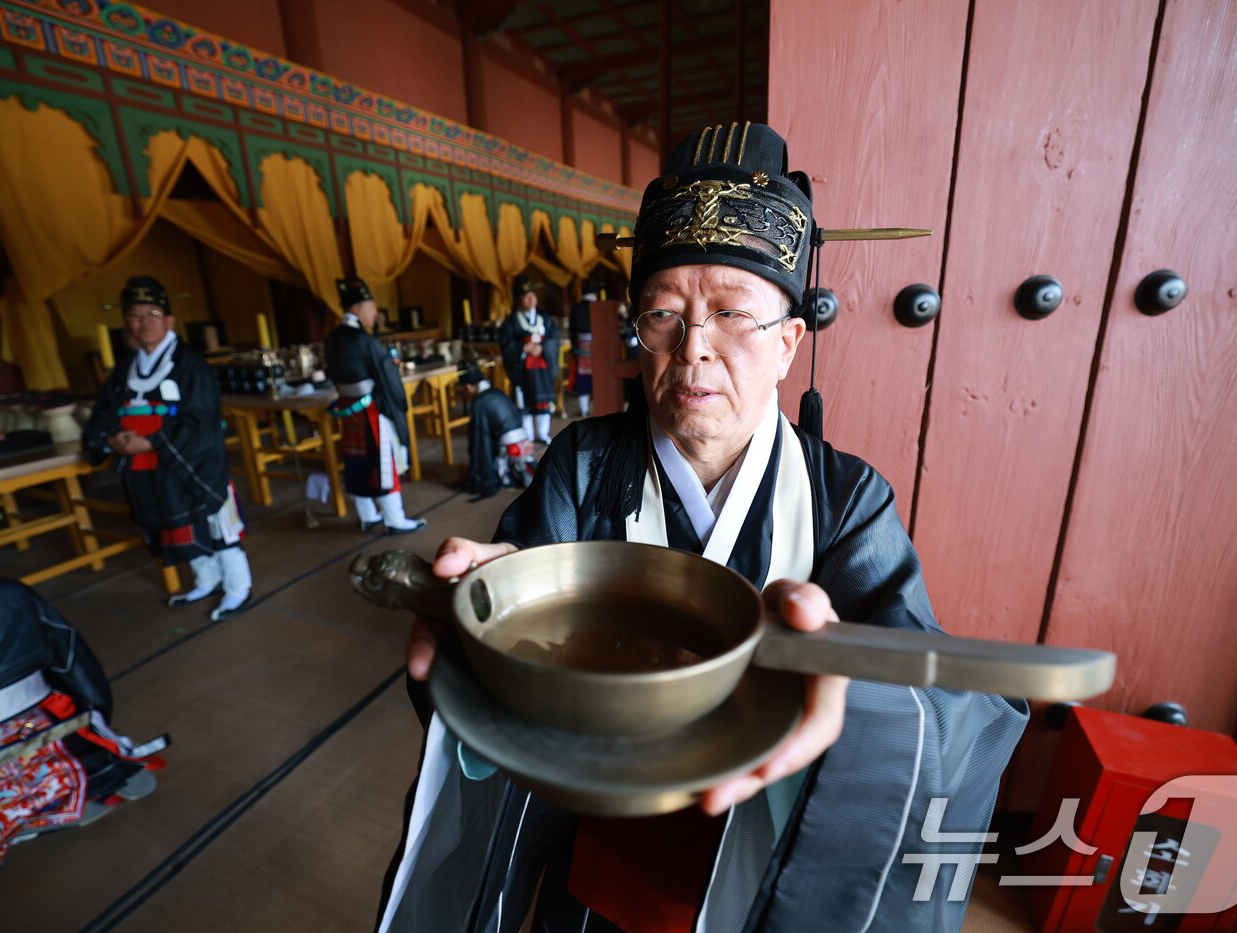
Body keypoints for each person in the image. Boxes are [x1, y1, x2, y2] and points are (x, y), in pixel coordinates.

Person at [378, 123, 1028, 932]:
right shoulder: (584, 462)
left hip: (753, 874)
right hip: (590, 862)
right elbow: (519, 615)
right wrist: (491, 601)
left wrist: (849, 688)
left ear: (789, 344)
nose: (693, 350)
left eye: (731, 313)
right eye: (663, 315)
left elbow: (937, 699)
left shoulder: (844, 496)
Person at [0, 490, 166, 887]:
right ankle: (71, 780)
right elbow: (78, 669)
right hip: (49, 741)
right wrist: (93, 726)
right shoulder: (12, 593)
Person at [82, 276, 253, 621]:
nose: (143, 322)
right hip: (149, 468)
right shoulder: (123, 371)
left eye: (153, 313)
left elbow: (203, 419)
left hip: (193, 462)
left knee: (216, 526)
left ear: (169, 320)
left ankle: (237, 587)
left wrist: (152, 440)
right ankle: (207, 580)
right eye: (135, 315)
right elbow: (104, 412)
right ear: (125, 322)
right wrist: (113, 438)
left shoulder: (191, 365)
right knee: (176, 527)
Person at [323, 276, 427, 535]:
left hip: (348, 409)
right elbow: (386, 377)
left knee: (356, 459)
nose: (375, 313)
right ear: (358, 308)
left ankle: (368, 515)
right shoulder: (364, 340)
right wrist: (397, 401)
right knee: (383, 461)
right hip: (371, 411)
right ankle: (395, 520)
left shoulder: (333, 338)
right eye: (372, 307)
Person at [498, 275, 561, 444]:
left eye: (533, 295)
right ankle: (528, 435)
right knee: (524, 403)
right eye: (526, 296)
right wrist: (522, 348)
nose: (531, 298)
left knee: (543, 402)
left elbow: (554, 338)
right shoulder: (510, 322)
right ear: (519, 299)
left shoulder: (545, 318)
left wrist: (543, 347)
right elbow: (505, 343)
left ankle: (542, 433)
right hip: (523, 371)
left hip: (542, 369)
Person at [459, 362, 535, 501]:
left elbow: (480, 440)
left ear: (469, 386)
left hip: (507, 446)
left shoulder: (480, 402)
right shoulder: (496, 391)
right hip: (522, 437)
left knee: (484, 448)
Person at [569, 277, 599, 419]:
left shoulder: (576, 307)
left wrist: (574, 346)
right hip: (599, 346)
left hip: (581, 346)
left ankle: (584, 410)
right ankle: (599, 408)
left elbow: (572, 330)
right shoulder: (599, 307)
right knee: (600, 376)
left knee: (583, 377)